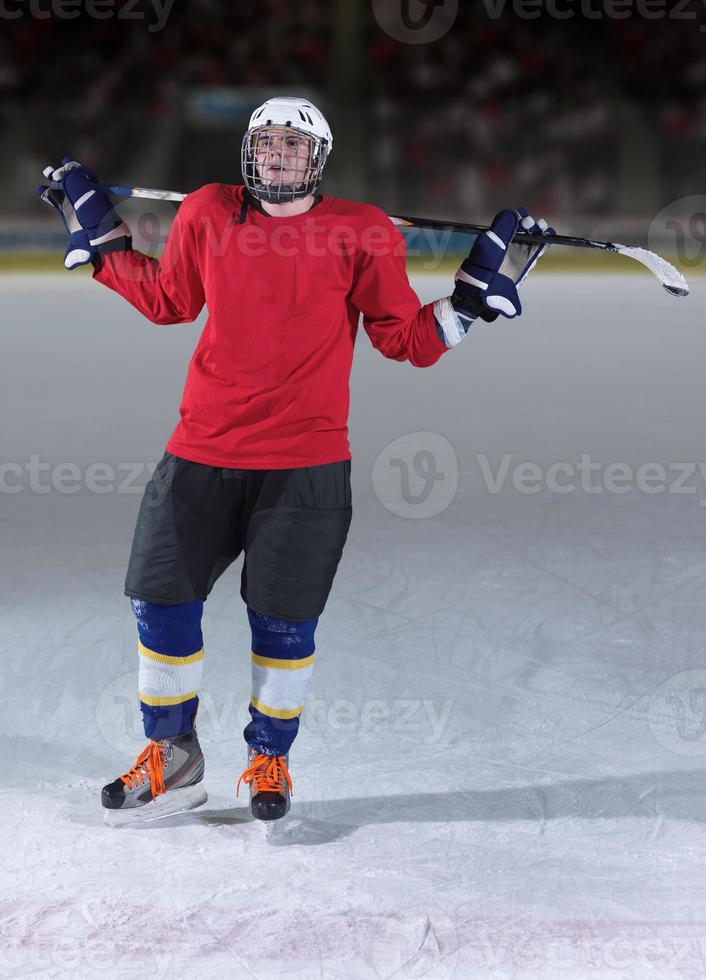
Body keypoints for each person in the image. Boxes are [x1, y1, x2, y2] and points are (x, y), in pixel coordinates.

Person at [38, 96, 554, 826]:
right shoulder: (210, 213)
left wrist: (469, 303)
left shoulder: (363, 230)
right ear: (249, 152)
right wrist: (102, 237)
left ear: (318, 159)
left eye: (292, 145)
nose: (278, 154)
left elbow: (402, 339)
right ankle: (173, 756)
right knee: (159, 600)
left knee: (283, 625)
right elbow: (168, 300)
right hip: (201, 450)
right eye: (266, 142)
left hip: (305, 463)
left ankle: (268, 757)